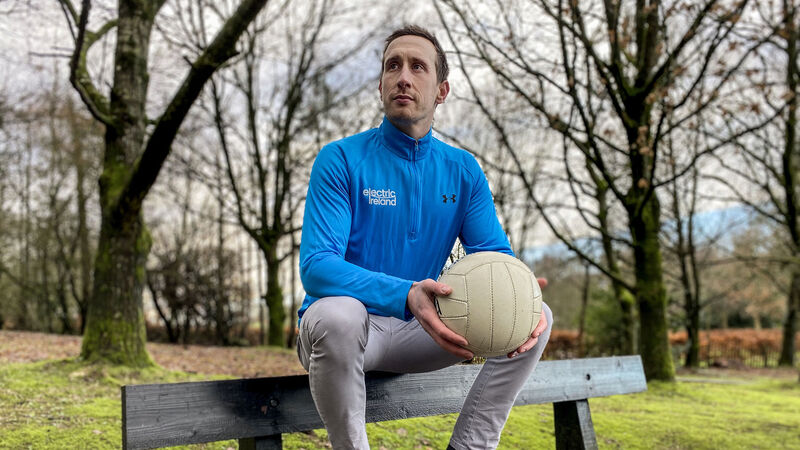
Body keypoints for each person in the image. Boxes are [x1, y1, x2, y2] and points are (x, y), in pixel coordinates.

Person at [297, 24, 553, 450]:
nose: (403, 77)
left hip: (426, 332)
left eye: (418, 67)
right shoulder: (339, 159)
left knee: (536, 316)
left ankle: (470, 446)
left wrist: (520, 293)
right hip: (348, 336)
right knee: (340, 316)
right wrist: (406, 293)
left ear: (441, 91)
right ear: (380, 85)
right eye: (392, 66)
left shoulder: (463, 170)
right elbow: (317, 267)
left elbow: (495, 259)